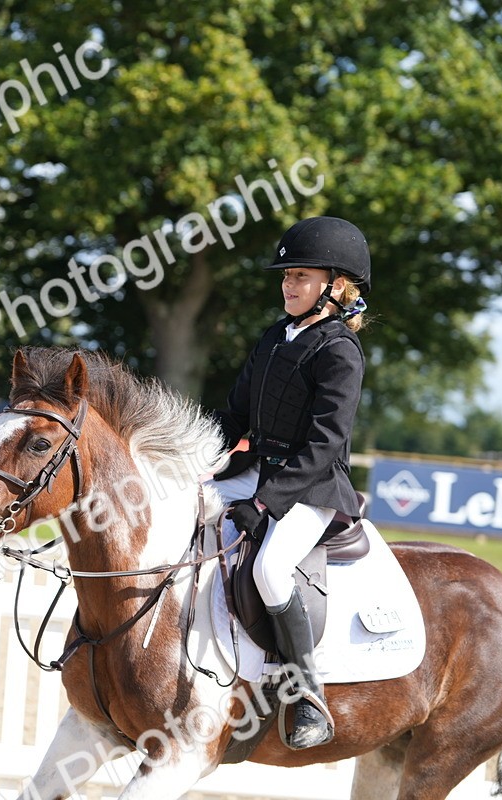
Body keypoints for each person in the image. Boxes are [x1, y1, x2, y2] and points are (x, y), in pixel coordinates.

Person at [208, 215, 370, 750]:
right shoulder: (275, 336)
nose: (289, 285)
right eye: (286, 276)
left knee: (272, 569)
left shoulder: (339, 350)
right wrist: (196, 458)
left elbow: (325, 446)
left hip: (312, 486)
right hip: (259, 469)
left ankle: (307, 695)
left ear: (335, 286)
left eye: (301, 276)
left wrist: (265, 501)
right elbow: (233, 416)